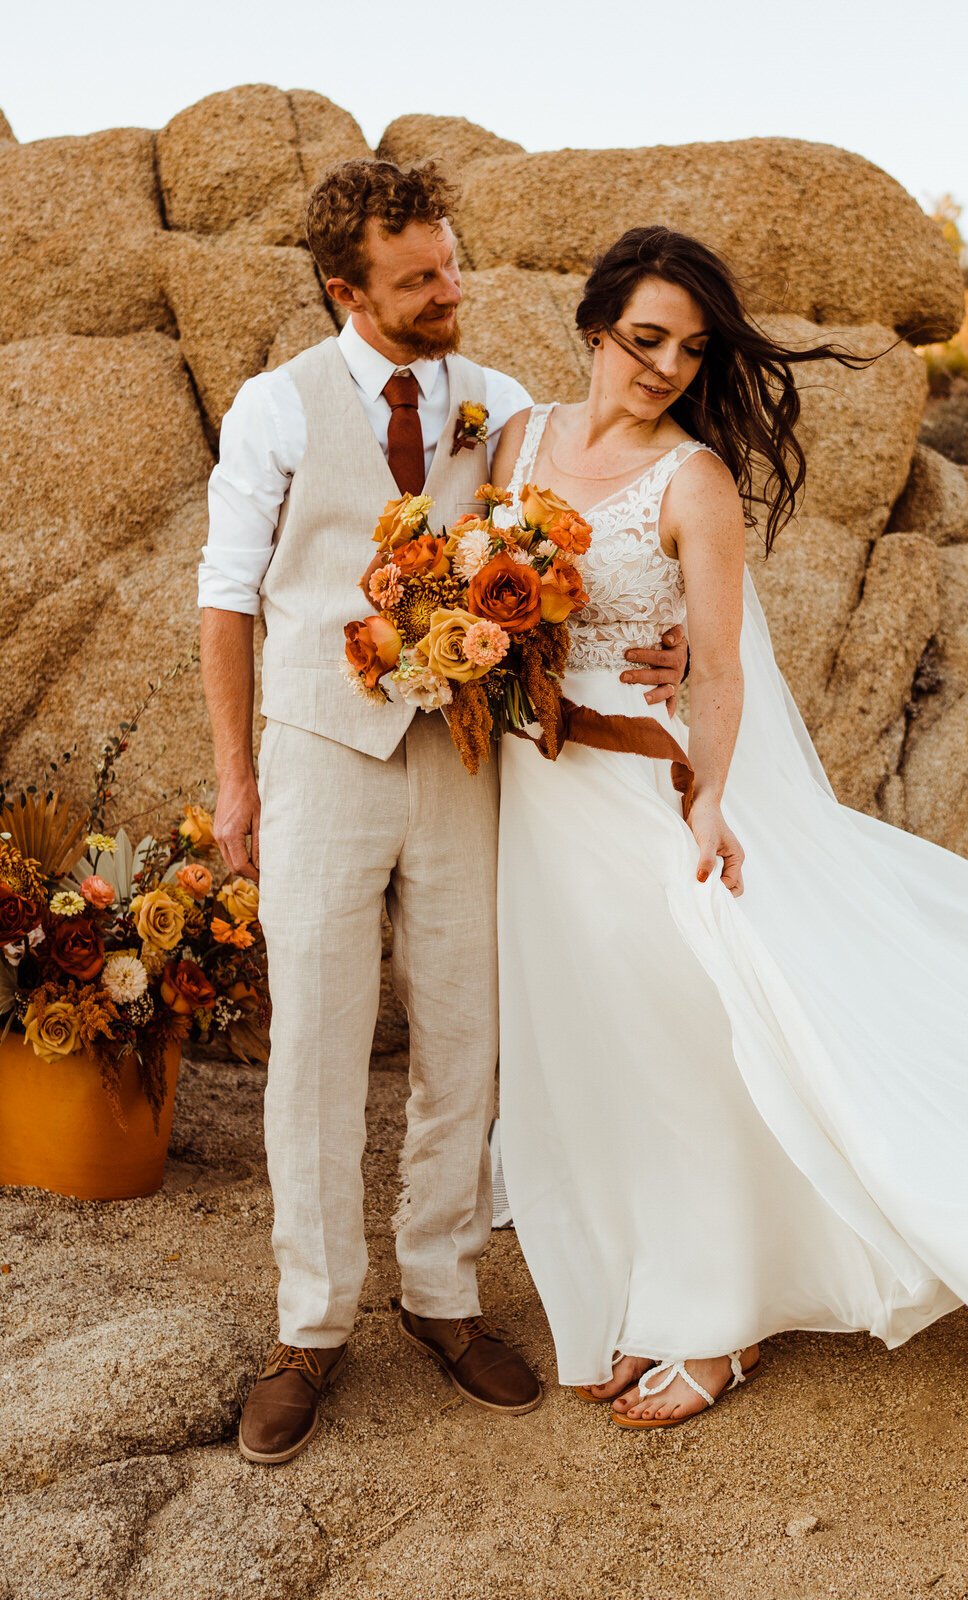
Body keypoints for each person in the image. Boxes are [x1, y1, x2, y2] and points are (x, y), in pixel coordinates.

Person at [492, 224, 968, 1429]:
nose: (661, 367)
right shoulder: (514, 439)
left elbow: (717, 668)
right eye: (644, 338)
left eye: (688, 351)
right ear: (594, 322)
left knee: (686, 1038)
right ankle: (625, 1283)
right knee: (582, 1033)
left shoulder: (691, 480)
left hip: (643, 792)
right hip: (531, 790)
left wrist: (707, 799)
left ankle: (723, 1317)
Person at [197, 164, 688, 1463]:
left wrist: (671, 651)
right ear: (344, 288)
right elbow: (227, 596)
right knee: (314, 1035)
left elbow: (577, 540)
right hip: (317, 755)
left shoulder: (499, 406)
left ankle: (441, 1292)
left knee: (463, 1033)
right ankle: (307, 1327)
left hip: (464, 759)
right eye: (418, 278)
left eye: (450, 264)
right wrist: (235, 781)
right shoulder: (273, 409)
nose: (448, 291)